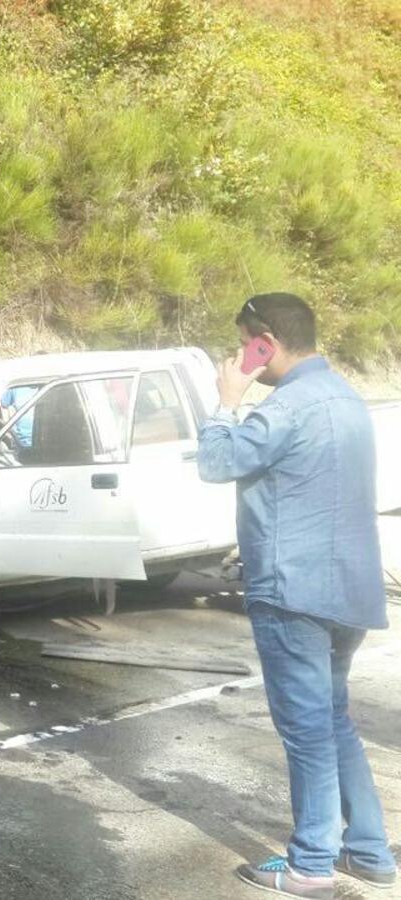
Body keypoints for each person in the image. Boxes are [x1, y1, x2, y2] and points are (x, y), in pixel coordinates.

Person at [199, 292, 394, 899]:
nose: (241, 356)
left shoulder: (284, 409)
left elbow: (215, 461)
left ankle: (310, 864)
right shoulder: (346, 399)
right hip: (349, 593)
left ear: (266, 342)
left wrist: (227, 403)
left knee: (308, 730)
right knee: (334, 723)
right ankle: (369, 852)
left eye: (246, 345)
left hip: (293, 593)